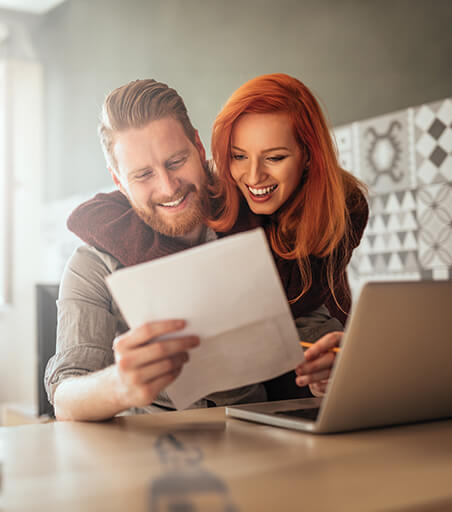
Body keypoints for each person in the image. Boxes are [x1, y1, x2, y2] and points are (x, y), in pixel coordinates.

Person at [46, 79, 353, 422]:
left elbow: (311, 325)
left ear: (198, 147)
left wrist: (331, 368)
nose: (167, 187)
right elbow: (65, 397)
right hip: (148, 442)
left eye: (176, 161)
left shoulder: (255, 217)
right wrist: (119, 385)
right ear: (118, 180)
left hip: (258, 432)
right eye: (143, 174)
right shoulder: (91, 264)